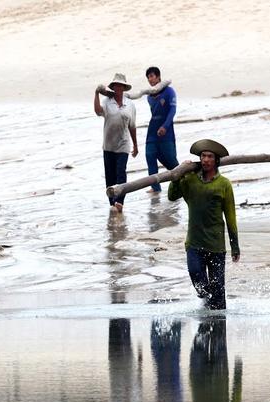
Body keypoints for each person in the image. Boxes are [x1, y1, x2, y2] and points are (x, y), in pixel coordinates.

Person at [167, 139, 240, 309]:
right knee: (197, 278)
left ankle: (219, 323)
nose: (206, 160)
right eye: (203, 156)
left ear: (216, 161)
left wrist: (234, 246)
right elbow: (172, 196)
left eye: (209, 156)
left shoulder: (224, 185)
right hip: (194, 243)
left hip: (216, 246)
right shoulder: (191, 180)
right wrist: (177, 176)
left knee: (218, 291)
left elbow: (230, 217)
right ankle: (207, 305)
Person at [94, 73, 138, 212]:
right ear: (113, 87)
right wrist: (96, 94)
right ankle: (112, 203)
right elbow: (97, 111)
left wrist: (136, 145)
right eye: (116, 85)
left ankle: (120, 201)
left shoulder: (130, 104)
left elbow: (132, 126)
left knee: (121, 173)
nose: (118, 87)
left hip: (123, 144)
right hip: (108, 145)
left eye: (121, 85)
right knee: (110, 175)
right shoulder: (107, 102)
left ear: (124, 88)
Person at [144, 66, 178, 194]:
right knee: (150, 154)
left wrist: (165, 126)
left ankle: (181, 180)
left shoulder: (169, 91)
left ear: (158, 77)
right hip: (152, 131)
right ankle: (155, 187)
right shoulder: (149, 96)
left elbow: (172, 110)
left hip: (166, 131)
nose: (150, 79)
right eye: (148, 77)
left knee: (170, 159)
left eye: (152, 76)